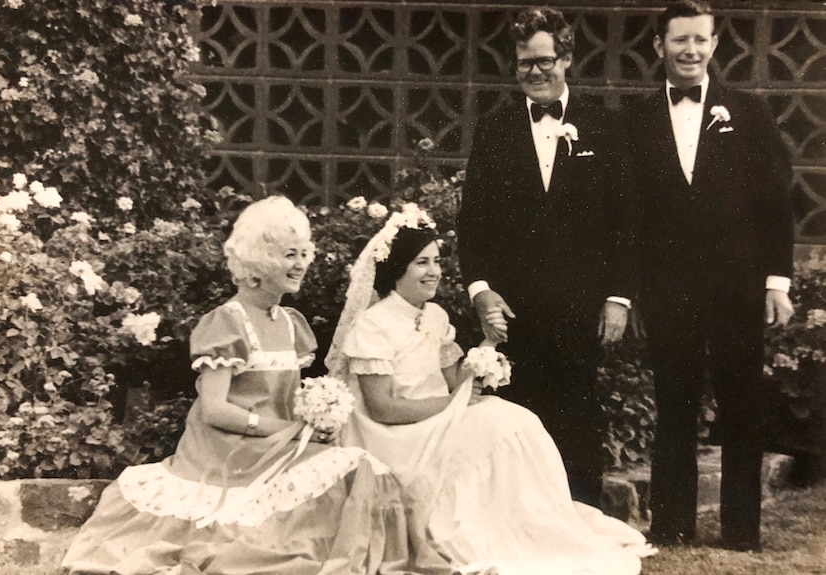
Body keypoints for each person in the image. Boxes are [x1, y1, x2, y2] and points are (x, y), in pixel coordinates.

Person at [62, 196, 453, 575]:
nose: (301, 264)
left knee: (363, 467)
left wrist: (315, 420)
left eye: (303, 254)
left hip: (277, 442)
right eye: (289, 255)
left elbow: (287, 400)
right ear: (259, 263)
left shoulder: (290, 323)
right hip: (228, 451)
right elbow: (215, 409)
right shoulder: (227, 322)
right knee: (356, 465)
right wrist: (284, 431)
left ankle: (368, 559)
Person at [326, 205, 654, 575]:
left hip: (437, 416)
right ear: (396, 267)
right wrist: (452, 406)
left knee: (516, 418)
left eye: (436, 261)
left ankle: (530, 526)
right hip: (397, 435)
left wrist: (487, 347)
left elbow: (456, 380)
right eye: (421, 262)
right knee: (493, 425)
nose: (434, 271)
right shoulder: (374, 325)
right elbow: (382, 408)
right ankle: (487, 528)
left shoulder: (435, 316)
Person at [627, 0, 795, 552]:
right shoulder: (636, 118)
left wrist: (777, 281)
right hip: (668, 289)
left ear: (715, 45)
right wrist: (628, 291)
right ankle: (672, 523)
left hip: (736, 287)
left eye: (700, 39)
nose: (690, 50)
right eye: (679, 40)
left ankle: (741, 530)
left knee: (740, 405)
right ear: (659, 47)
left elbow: (775, 202)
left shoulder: (747, 113)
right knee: (674, 404)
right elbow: (627, 213)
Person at [456, 6, 636, 507]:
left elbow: (625, 222)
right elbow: (473, 224)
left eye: (544, 61)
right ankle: (518, 521)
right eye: (524, 64)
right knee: (514, 416)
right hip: (513, 312)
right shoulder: (494, 132)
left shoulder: (602, 128)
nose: (535, 72)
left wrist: (618, 297)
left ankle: (580, 520)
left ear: (567, 59)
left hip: (581, 308)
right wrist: (481, 290)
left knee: (577, 414)